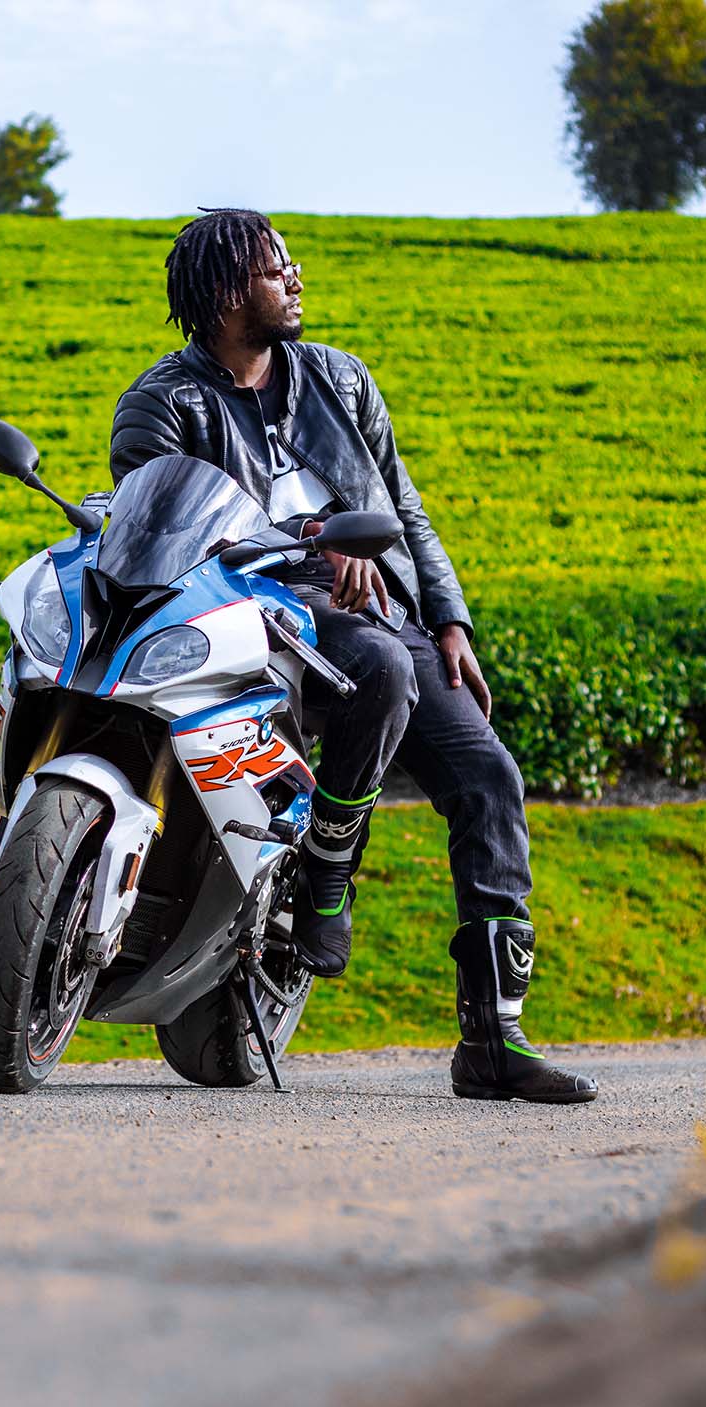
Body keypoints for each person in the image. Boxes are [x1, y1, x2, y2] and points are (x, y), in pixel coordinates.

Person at [109, 208, 597, 1104]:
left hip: (389, 620)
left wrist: (451, 619)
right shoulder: (162, 404)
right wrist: (310, 539)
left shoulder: (341, 378)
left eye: (291, 264)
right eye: (274, 269)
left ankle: (495, 1042)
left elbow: (403, 508)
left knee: (489, 778)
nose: (296, 278)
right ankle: (332, 867)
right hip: (257, 618)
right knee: (380, 662)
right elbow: (157, 524)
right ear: (225, 293)